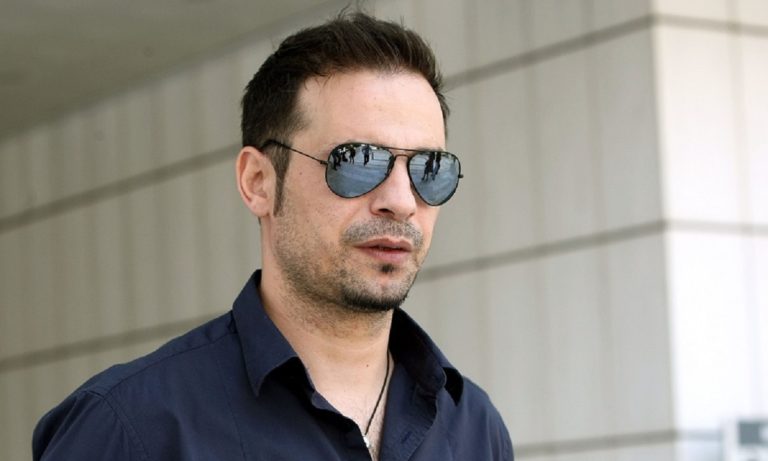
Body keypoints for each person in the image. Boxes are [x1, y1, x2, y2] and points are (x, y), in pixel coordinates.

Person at [32, 11, 512, 461]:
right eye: (358, 161)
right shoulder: (130, 427)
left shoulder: (474, 427)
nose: (402, 201)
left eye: (430, 168)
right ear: (258, 182)